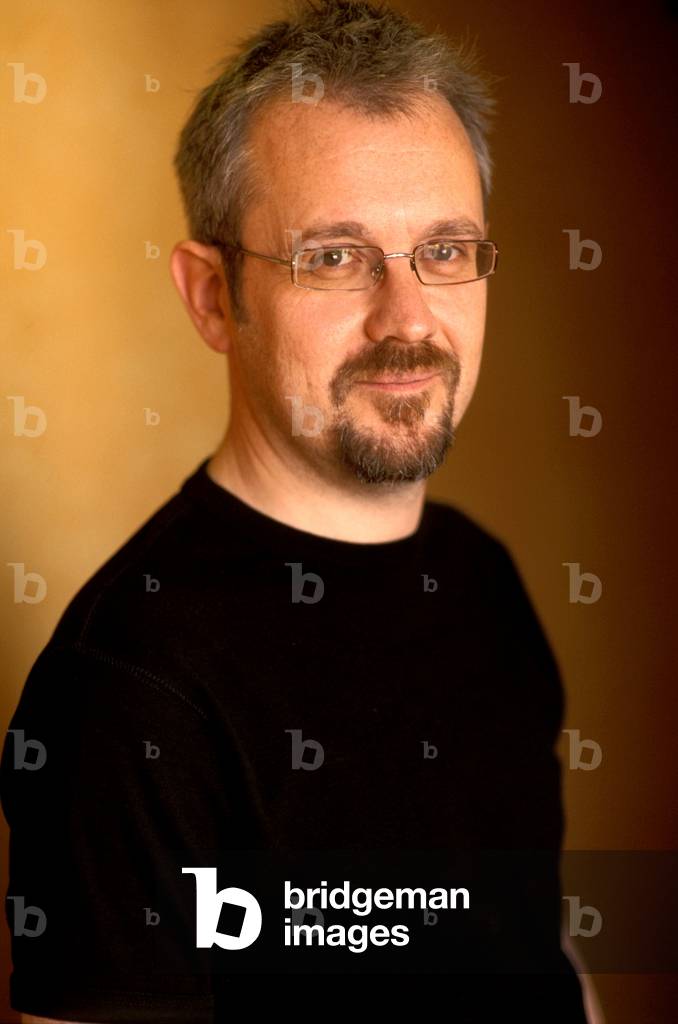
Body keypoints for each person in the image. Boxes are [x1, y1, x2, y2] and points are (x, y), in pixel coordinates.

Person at [1, 1, 589, 1020]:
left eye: (446, 250)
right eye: (334, 256)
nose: (409, 320)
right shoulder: (127, 691)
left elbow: (541, 953)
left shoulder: (484, 580)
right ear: (212, 297)